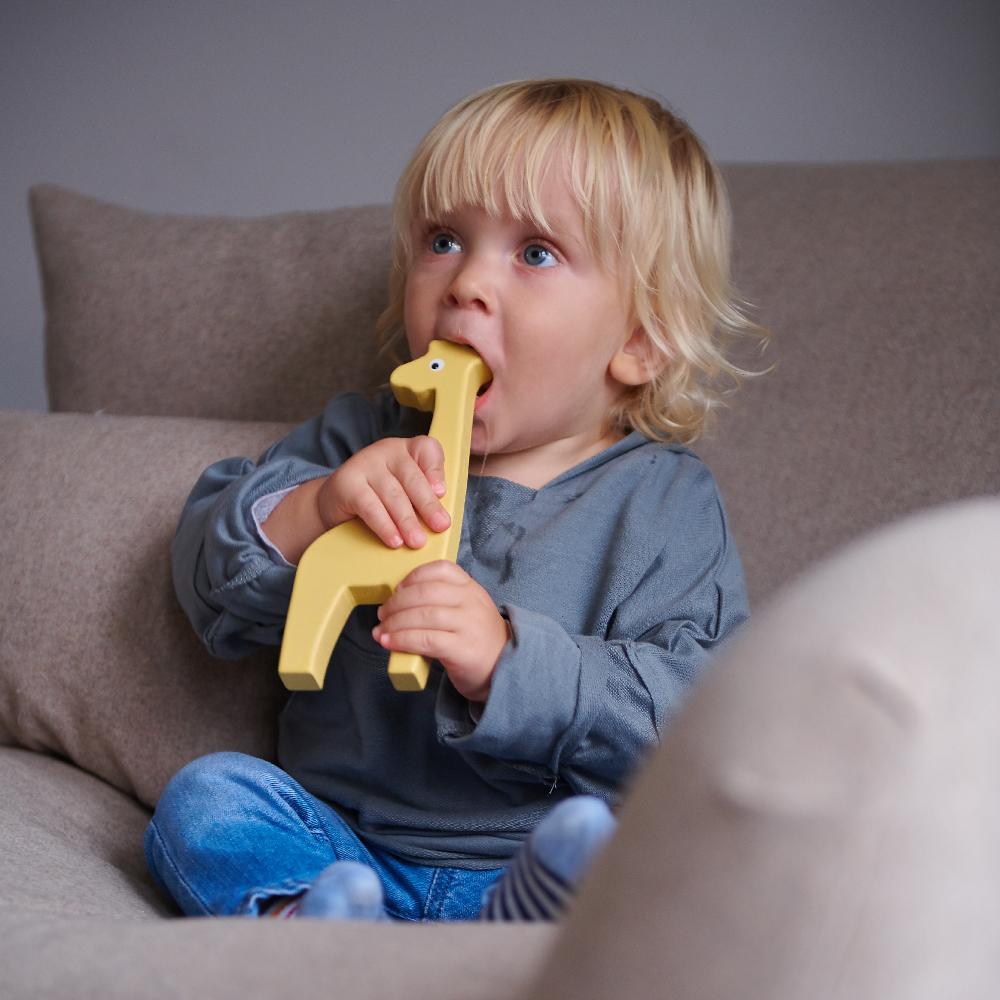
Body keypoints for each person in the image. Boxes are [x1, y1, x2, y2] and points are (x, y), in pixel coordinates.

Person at [145, 77, 767, 923]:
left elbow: (702, 712)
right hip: (347, 843)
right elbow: (203, 574)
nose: (467, 281)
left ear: (640, 338)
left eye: (536, 252)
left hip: (535, 853)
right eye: (443, 239)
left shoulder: (664, 503)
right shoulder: (362, 438)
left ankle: (527, 927)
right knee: (208, 797)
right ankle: (310, 923)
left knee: (638, 856)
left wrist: (511, 662)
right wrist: (317, 508)